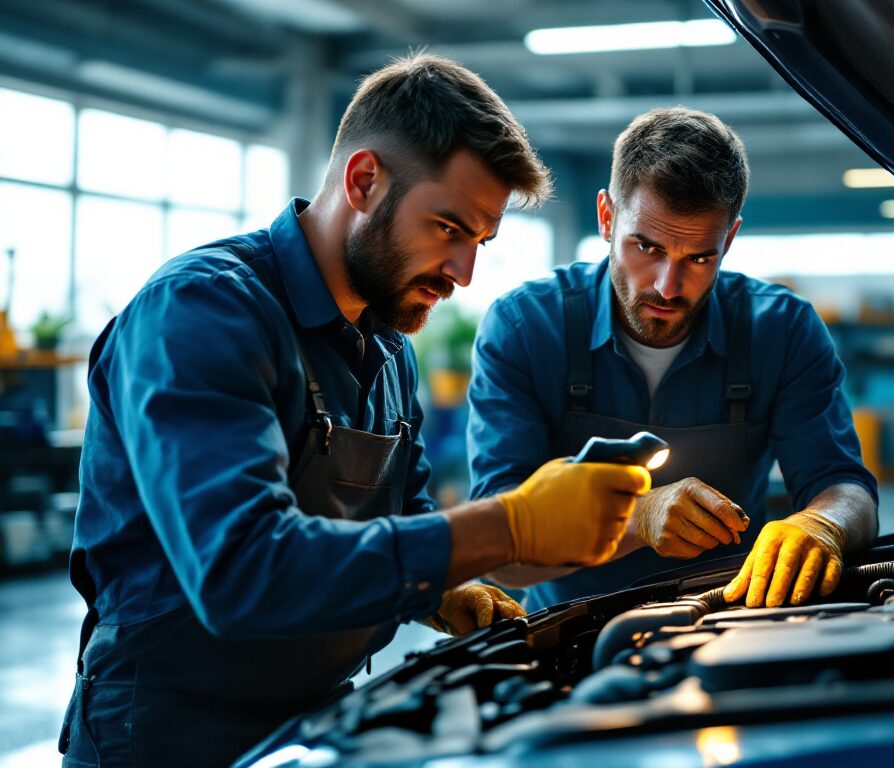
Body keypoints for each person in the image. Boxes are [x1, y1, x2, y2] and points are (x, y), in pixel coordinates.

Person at [59, 53, 651, 768]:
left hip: (315, 727)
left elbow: (401, 519)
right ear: (364, 180)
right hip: (167, 739)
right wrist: (509, 524)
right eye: (447, 228)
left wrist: (439, 590)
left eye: (480, 243)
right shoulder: (203, 311)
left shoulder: (389, 345)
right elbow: (242, 571)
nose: (464, 274)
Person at [467, 107, 877, 611]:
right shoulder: (526, 328)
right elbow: (498, 549)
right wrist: (636, 518)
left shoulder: (782, 331)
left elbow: (844, 486)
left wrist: (823, 523)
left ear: (729, 239)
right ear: (606, 217)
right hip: (569, 638)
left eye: (699, 257)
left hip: (728, 627)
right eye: (646, 246)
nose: (667, 285)